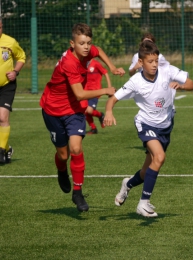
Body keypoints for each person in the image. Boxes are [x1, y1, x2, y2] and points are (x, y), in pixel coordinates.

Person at [104, 40, 193, 217]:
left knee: (148, 171)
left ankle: (127, 185)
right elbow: (112, 99)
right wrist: (108, 112)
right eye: (150, 62)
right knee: (160, 157)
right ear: (141, 62)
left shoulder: (167, 71)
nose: (154, 65)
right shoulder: (135, 81)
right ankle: (143, 203)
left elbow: (192, 84)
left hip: (166, 126)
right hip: (146, 124)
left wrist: (181, 85)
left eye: (156, 61)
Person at [40, 23, 125, 212]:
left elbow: (99, 50)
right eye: (81, 43)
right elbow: (79, 93)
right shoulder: (69, 62)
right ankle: (62, 170)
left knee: (76, 148)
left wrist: (111, 67)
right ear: (72, 44)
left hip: (75, 110)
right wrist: (105, 90)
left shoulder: (87, 51)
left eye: (88, 42)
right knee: (63, 155)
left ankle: (77, 192)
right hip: (52, 109)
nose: (86, 47)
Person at [0, 18, 26, 164]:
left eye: (0, 27)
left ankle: (1, 152)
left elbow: (21, 57)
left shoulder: (10, 42)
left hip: (6, 86)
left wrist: (15, 72)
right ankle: (7, 148)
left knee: (3, 117)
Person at [84, 59, 112, 134]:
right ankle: (93, 128)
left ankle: (100, 115)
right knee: (84, 110)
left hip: (95, 91)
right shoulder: (83, 63)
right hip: (85, 91)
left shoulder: (96, 64)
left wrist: (109, 87)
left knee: (89, 110)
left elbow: (105, 72)